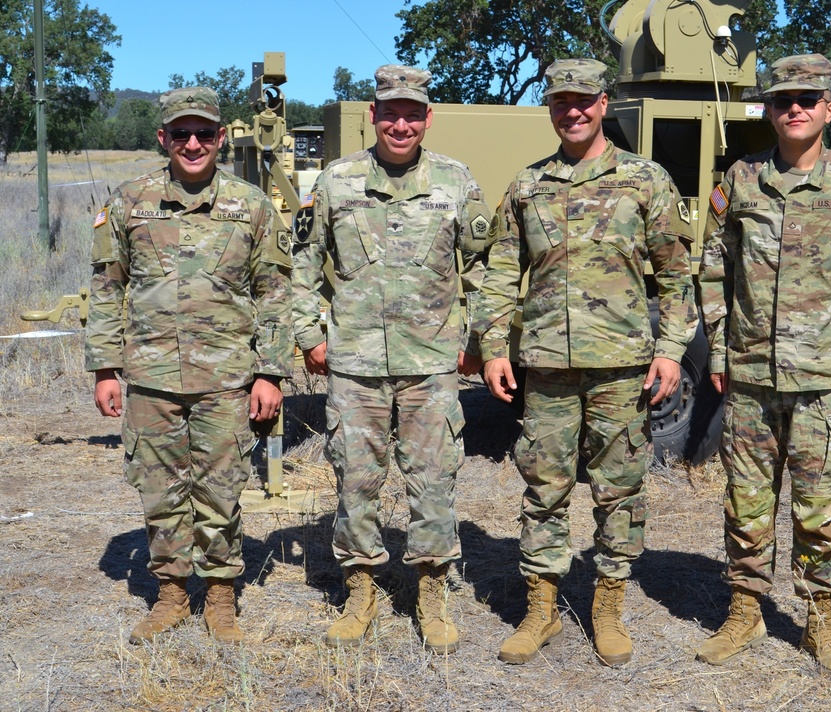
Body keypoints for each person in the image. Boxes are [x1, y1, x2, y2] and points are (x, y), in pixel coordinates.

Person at [472, 58, 698, 667]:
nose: (572, 111)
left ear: (604, 103)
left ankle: (608, 608)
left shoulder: (645, 180)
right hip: (545, 366)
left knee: (618, 489)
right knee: (543, 486)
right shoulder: (527, 186)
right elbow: (498, 273)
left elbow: (678, 276)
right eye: (560, 101)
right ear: (550, 108)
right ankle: (541, 609)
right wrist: (494, 346)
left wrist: (672, 350)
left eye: (583, 100)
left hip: (621, 366)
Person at [695, 54, 831, 676]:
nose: (795, 108)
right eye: (784, 98)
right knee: (746, 502)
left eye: (808, 99)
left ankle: (822, 618)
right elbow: (711, 268)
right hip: (752, 378)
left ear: (828, 109)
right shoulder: (740, 180)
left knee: (820, 504)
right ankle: (745, 607)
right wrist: (722, 345)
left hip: (824, 382)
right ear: (768, 108)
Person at [290, 65, 492, 654]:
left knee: (433, 481)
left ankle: (431, 592)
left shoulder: (456, 182)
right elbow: (302, 267)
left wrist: (477, 340)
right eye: (389, 112)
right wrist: (310, 335)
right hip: (353, 364)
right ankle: (362, 591)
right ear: (373, 116)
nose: (400, 123)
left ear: (428, 118)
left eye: (412, 113)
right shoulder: (335, 182)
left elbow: (484, 270)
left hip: (431, 362)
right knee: (356, 479)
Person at [85, 87, 294, 645]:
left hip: (227, 379)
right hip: (150, 377)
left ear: (221, 138)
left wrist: (270, 373)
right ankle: (173, 594)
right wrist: (106, 368)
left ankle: (221, 596)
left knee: (221, 488)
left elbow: (275, 294)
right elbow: (108, 290)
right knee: (159, 489)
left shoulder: (250, 206)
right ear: (164, 139)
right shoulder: (130, 201)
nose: (193, 143)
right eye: (182, 134)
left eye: (205, 133)